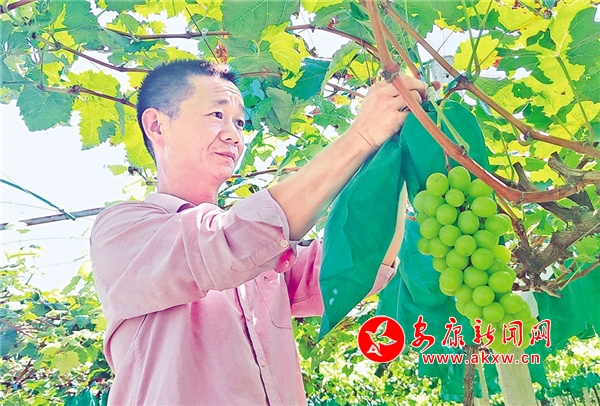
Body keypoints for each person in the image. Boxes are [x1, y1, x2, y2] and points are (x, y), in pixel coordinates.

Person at [90, 59, 429, 405]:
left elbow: (355, 264)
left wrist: (393, 154)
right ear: (157, 126)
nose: (234, 135)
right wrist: (363, 136)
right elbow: (228, 243)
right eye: (217, 115)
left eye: (239, 122)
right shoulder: (122, 230)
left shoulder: (262, 257)